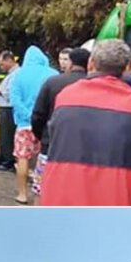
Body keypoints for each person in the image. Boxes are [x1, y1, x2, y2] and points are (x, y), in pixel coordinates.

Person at [40, 39, 131, 206]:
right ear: (127, 69)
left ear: (91, 63)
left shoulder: (68, 96)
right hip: (112, 198)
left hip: (62, 195)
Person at [30, 47, 91, 197]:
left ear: (70, 62)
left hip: (50, 145)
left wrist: (40, 136)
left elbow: (38, 115)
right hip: (81, 151)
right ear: (89, 63)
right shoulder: (94, 86)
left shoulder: (53, 82)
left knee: (41, 190)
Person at [8, 46, 57, 204]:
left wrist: (26, 116)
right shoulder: (53, 75)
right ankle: (40, 193)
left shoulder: (19, 74)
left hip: (24, 125)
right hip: (46, 125)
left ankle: (22, 194)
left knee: (22, 158)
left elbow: (14, 98)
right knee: (41, 160)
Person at [0, 51, 18, 172]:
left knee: (7, 136)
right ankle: (2, 158)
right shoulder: (11, 74)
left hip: (8, 107)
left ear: (9, 61)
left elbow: (11, 92)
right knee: (3, 135)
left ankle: (7, 161)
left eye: (2, 64)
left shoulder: (16, 74)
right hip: (4, 106)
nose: (1, 67)